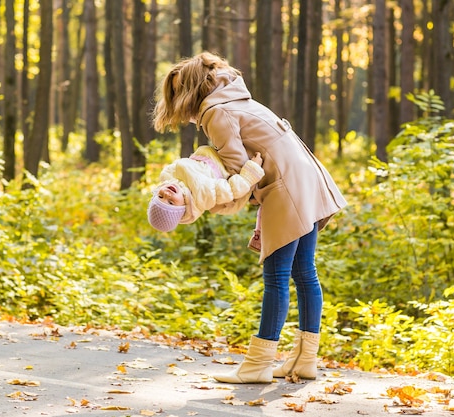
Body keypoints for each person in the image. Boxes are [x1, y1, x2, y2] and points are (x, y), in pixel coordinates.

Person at [151, 52, 347, 384]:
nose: (179, 111)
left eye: (176, 99)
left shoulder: (216, 113)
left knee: (276, 276)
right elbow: (258, 164)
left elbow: (241, 172)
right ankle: (304, 361)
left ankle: (258, 365)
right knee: (304, 272)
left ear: (189, 92)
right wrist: (261, 216)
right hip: (304, 178)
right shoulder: (237, 99)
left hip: (285, 187)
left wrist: (200, 200)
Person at [147, 145, 264, 233]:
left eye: (160, 196)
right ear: (183, 208)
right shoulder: (202, 196)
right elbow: (232, 190)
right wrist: (252, 169)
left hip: (211, 152)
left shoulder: (170, 176)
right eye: (171, 202)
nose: (167, 194)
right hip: (227, 162)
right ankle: (253, 194)